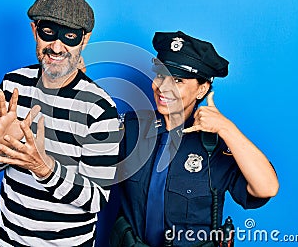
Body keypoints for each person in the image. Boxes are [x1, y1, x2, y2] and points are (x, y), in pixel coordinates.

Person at [0, 0, 120, 246]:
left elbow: (96, 198)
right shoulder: (13, 85)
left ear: (84, 40)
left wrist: (44, 168)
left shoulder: (100, 109)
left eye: (70, 36)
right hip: (8, 240)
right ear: (34, 31)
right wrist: (0, 148)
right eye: (48, 33)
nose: (56, 46)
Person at [110, 31, 279, 247]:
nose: (163, 87)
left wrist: (228, 129)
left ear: (202, 89)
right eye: (161, 76)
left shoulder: (214, 144)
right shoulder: (131, 128)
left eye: (178, 80)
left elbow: (267, 188)